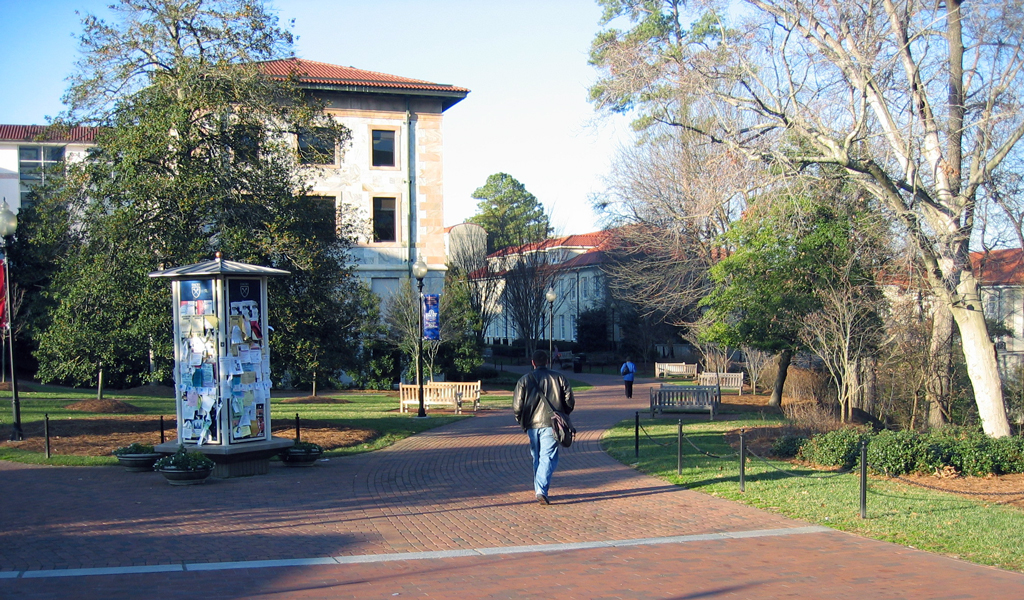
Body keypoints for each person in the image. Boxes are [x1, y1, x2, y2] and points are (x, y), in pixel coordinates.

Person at [513, 349, 575, 506]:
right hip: (552, 422)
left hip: (532, 424)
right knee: (547, 456)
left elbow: (517, 406)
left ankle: (539, 489)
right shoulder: (559, 377)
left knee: (538, 457)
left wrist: (521, 421)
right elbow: (569, 401)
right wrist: (562, 414)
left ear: (533, 362)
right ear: (547, 361)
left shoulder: (524, 380)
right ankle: (541, 490)